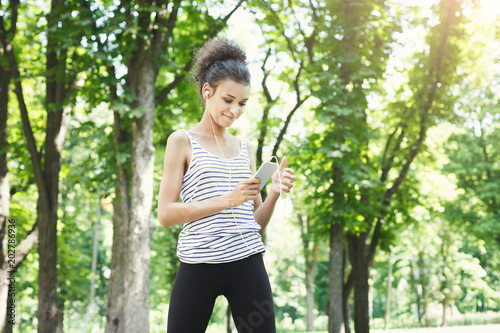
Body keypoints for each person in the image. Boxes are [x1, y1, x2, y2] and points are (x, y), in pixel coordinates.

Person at [157, 37, 296, 333]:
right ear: (208, 91)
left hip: (247, 262)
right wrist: (228, 200)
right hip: (198, 265)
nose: (235, 110)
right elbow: (165, 214)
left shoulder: (245, 148)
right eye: (228, 100)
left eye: (242, 103)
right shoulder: (182, 141)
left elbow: (255, 223)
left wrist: (272, 194)